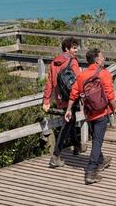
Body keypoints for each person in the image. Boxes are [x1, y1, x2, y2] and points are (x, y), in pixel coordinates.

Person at [64, 48, 116, 185]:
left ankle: (101, 160)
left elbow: (74, 94)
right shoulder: (104, 73)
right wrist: (115, 108)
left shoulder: (82, 76)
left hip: (89, 113)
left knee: (96, 137)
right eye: (102, 57)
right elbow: (110, 94)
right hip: (101, 112)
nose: (104, 59)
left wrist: (69, 109)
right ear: (96, 60)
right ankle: (91, 171)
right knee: (97, 141)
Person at [43, 37, 82, 167]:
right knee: (67, 123)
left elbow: (49, 82)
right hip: (71, 97)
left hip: (60, 98)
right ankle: (56, 155)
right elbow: (79, 81)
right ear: (67, 49)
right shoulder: (73, 61)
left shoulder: (54, 62)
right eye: (74, 48)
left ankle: (77, 146)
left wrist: (47, 99)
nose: (77, 50)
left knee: (71, 119)